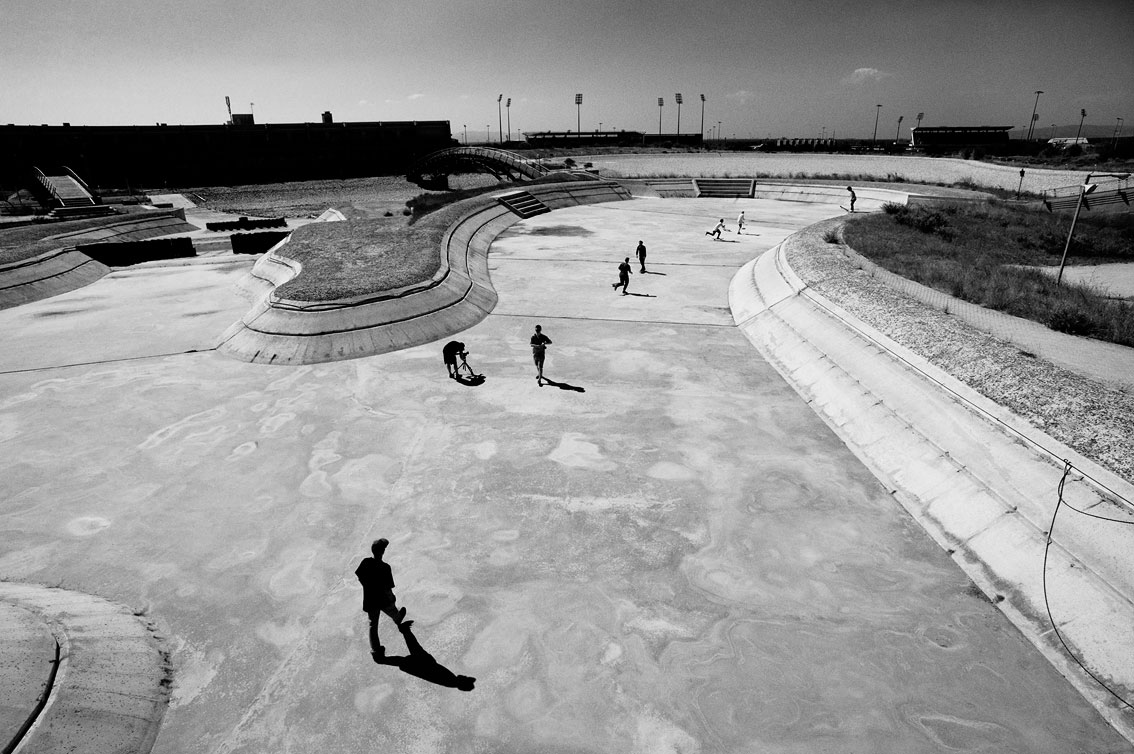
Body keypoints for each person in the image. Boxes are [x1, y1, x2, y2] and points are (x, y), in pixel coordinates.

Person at [372, 620, 476, 692]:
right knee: (413, 646)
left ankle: (380, 659)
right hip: (425, 663)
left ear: (463, 683)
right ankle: (405, 630)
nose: (464, 676)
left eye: (465, 678)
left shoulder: (452, 681)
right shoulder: (453, 680)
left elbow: (432, 674)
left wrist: (422, 664)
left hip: (422, 666)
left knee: (404, 657)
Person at [355, 539, 406, 660]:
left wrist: (367, 586)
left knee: (373, 624)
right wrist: (392, 597)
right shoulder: (385, 568)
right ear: (383, 551)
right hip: (383, 600)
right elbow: (388, 588)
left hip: (370, 599)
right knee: (392, 611)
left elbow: (359, 575)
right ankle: (398, 620)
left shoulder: (366, 562)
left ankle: (376, 651)